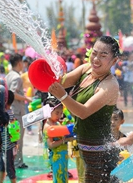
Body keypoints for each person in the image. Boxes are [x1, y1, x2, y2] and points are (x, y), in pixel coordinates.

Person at [48, 36, 121, 183]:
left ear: (114, 61)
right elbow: (61, 81)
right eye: (94, 53)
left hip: (101, 153)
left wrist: (62, 96)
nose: (96, 59)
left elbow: (83, 112)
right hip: (85, 148)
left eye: (103, 55)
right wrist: (49, 69)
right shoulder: (85, 69)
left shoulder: (110, 85)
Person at [5, 53, 32, 169]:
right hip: (17, 111)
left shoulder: (8, 75)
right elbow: (13, 93)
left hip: (11, 110)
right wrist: (26, 98)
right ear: (19, 63)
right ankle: (17, 162)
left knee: (12, 138)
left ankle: (12, 161)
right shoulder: (17, 77)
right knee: (18, 138)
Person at [42, 97, 73, 183]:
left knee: (63, 178)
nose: (59, 116)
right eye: (57, 113)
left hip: (63, 156)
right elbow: (50, 145)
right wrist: (64, 140)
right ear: (49, 112)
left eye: (61, 113)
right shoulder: (48, 126)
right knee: (59, 178)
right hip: (56, 157)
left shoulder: (57, 122)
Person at [0, 90, 17, 183]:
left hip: (8, 146)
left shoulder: (8, 114)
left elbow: (13, 131)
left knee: (9, 167)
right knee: (1, 166)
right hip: (4, 145)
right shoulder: (9, 112)